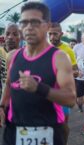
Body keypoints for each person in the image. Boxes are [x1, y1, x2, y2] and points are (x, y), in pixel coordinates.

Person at [0, 2, 76, 145]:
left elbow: (71, 99)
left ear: (47, 26)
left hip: (47, 132)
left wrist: (39, 88)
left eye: (35, 22)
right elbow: (9, 86)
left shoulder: (58, 58)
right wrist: (1, 107)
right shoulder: (13, 56)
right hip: (13, 131)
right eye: (24, 22)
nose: (29, 27)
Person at [48, 22, 78, 144]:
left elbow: (76, 71)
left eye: (55, 34)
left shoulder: (68, 50)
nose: (52, 37)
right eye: (49, 34)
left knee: (63, 125)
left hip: (62, 92)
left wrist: (65, 73)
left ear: (61, 34)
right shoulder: (44, 48)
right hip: (47, 91)